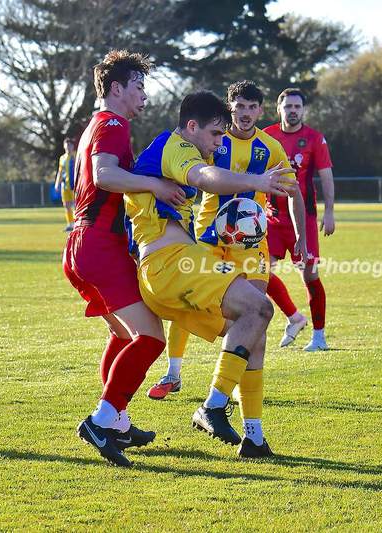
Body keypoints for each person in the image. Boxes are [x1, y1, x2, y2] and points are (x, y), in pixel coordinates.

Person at [126, 90, 297, 458]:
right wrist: (256, 182)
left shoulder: (173, 150)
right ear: (192, 126)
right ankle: (213, 405)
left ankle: (254, 438)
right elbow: (205, 176)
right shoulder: (178, 148)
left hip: (166, 270)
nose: (220, 142)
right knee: (260, 308)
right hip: (173, 263)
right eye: (216, 134)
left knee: (253, 330)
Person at [63, 50, 187, 467]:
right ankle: (101, 420)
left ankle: (117, 421)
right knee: (151, 339)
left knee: (122, 335)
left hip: (83, 245)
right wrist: (155, 185)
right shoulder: (113, 123)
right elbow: (104, 175)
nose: (144, 96)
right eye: (139, 87)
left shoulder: (95, 124)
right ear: (116, 89)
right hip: (100, 245)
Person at [146, 80, 307, 401]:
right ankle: (173, 373)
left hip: (251, 243)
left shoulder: (270, 147)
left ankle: (231, 385)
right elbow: (191, 172)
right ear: (230, 108)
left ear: (261, 111)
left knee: (255, 311)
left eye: (252, 107)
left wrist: (301, 233)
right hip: (209, 235)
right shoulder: (209, 141)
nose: (245, 113)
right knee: (188, 300)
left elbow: (294, 191)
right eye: (240, 106)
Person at [263, 88, 335, 351]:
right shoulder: (266, 136)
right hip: (271, 219)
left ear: (303, 110)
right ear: (279, 109)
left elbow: (326, 176)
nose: (293, 111)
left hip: (303, 220)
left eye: (297, 107)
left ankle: (319, 337)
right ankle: (295, 317)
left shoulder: (315, 139)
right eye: (288, 106)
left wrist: (329, 211)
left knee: (310, 274)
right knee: (258, 272)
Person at [54, 138, 76, 231]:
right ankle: (70, 224)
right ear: (64, 146)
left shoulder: (76, 156)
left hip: (74, 185)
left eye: (70, 145)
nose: (68, 147)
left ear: (73, 146)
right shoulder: (62, 158)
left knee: (75, 205)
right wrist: (57, 183)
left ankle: (77, 224)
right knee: (66, 205)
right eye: (67, 146)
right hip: (65, 185)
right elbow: (60, 172)